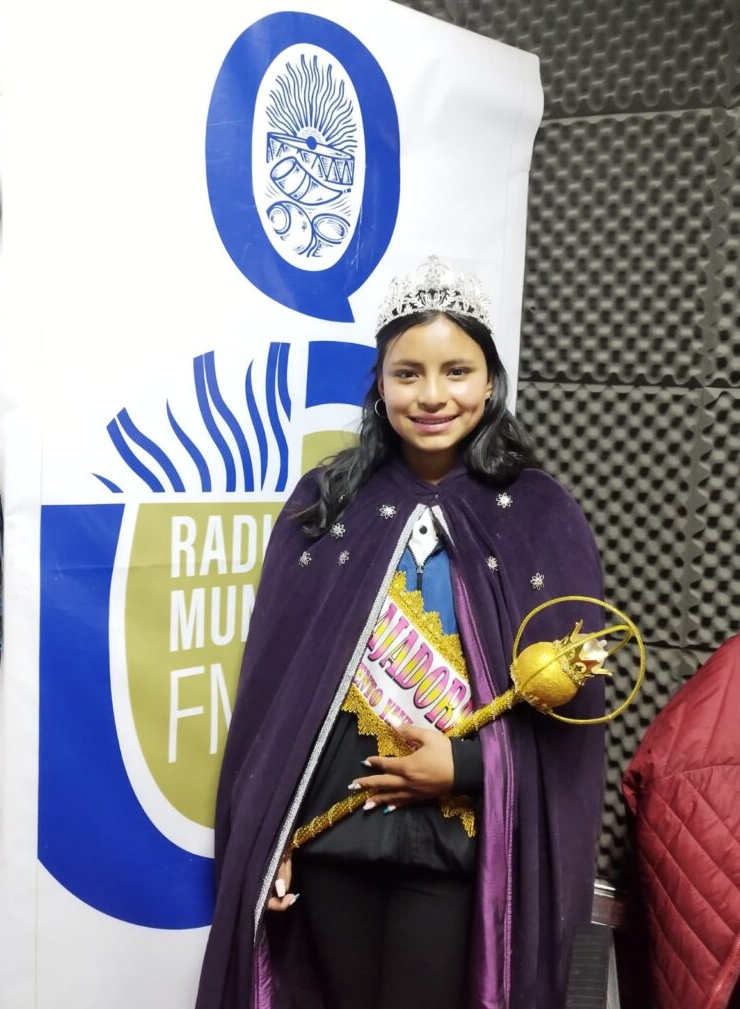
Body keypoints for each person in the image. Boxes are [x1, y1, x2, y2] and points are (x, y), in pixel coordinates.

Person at [196, 257, 606, 1009]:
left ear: (491, 383)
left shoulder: (540, 514)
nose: (432, 395)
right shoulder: (327, 500)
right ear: (380, 385)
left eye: (457, 371)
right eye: (408, 373)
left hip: (456, 847)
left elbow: (573, 721)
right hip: (333, 837)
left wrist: (466, 767)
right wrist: (272, 837)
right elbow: (278, 700)